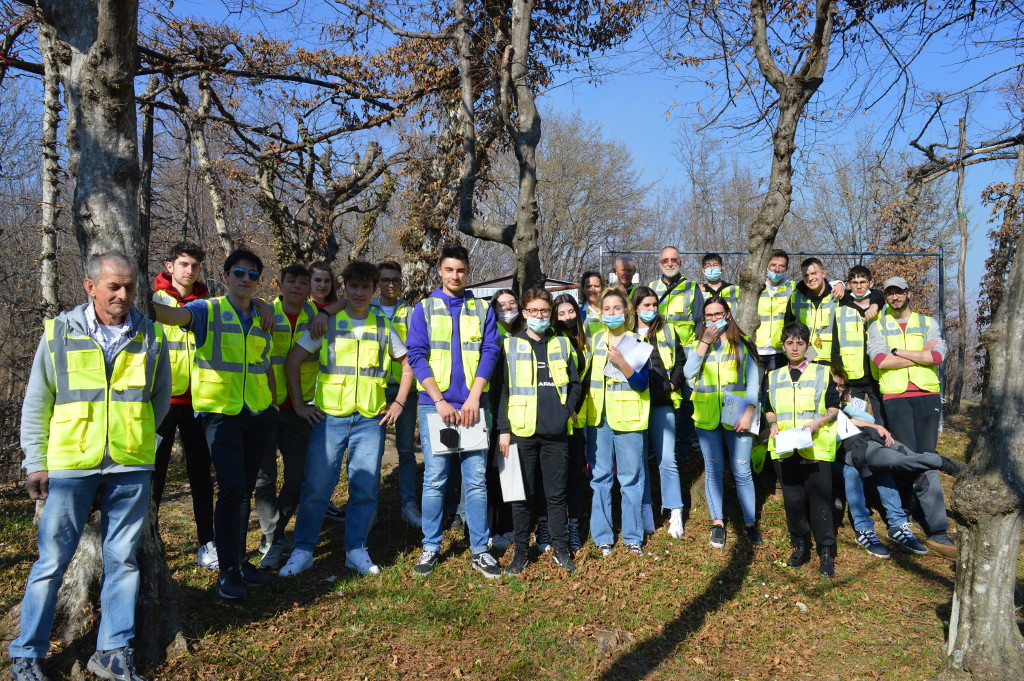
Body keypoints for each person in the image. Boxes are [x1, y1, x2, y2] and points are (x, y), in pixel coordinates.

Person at [11, 251, 170, 681]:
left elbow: (159, 398)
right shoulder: (61, 333)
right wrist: (36, 461)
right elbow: (38, 401)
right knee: (51, 562)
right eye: (114, 286)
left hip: (129, 466)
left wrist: (142, 443)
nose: (123, 294)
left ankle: (113, 652)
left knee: (124, 560)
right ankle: (27, 653)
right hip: (70, 466)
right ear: (90, 287)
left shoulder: (151, 335)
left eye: (130, 287)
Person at [152, 248, 278, 600]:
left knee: (245, 489)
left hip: (257, 414)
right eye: (239, 272)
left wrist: (271, 407)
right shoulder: (208, 310)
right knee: (232, 490)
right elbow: (174, 317)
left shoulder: (261, 317)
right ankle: (227, 571)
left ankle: (239, 561)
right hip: (220, 416)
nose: (246, 280)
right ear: (225, 277)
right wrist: (137, 304)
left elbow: (263, 363)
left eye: (253, 275)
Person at [277, 261, 414, 577]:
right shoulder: (329, 322)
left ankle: (356, 550)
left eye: (366, 287)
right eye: (354, 286)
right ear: (346, 288)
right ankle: (303, 551)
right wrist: (299, 404)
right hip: (329, 419)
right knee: (317, 488)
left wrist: (399, 402)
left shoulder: (382, 324)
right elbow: (293, 360)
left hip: (369, 419)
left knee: (364, 488)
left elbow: (408, 364)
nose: (359, 293)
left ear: (374, 289)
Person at [405, 244, 503, 578]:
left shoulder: (481, 308)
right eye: (449, 270)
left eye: (460, 270)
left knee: (475, 481)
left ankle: (480, 550)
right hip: (436, 409)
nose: (455, 276)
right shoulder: (425, 308)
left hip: (474, 406)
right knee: (435, 479)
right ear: (440, 272)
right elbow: (416, 355)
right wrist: (440, 401)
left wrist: (475, 396)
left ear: (468, 272)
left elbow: (491, 351)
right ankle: (430, 546)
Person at [866, 276, 955, 558]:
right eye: (889, 293)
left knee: (927, 453)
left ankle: (929, 519)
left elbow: (938, 357)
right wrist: (920, 354)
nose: (894, 297)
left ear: (908, 294)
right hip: (895, 396)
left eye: (899, 292)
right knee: (907, 455)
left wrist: (898, 352)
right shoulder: (877, 325)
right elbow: (880, 360)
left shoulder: (927, 322)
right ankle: (910, 512)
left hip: (926, 394)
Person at [497, 288, 582, 575]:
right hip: (521, 431)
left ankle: (560, 549)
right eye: (533, 311)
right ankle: (521, 552)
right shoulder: (510, 346)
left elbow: (576, 383)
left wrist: (565, 411)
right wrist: (503, 430)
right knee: (521, 495)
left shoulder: (562, 343)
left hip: (555, 432)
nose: (539, 316)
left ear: (550, 313)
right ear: (524, 313)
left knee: (556, 495)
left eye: (544, 311)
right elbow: (503, 391)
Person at [833, 368, 954, 557]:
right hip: (834, 460)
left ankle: (897, 526)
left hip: (861, 451)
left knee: (879, 467)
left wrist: (843, 406)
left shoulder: (843, 406)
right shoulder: (818, 406)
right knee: (853, 469)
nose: (837, 389)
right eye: (833, 385)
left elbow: (869, 418)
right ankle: (863, 529)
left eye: (841, 386)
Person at [151, 241, 217, 569]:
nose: (189, 271)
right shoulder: (153, 301)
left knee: (201, 475)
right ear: (170, 266)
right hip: (161, 402)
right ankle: (148, 541)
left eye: (194, 266)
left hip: (198, 402)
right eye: (183, 264)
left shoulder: (206, 304)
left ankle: (207, 543)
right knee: (154, 476)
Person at [254, 264, 320, 570]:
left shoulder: (316, 317)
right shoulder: (265, 313)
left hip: (299, 409)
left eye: (302, 282)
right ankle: (272, 537)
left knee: (299, 477)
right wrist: (257, 302)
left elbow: (343, 301)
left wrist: (326, 312)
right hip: (265, 407)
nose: (296, 287)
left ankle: (274, 533)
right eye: (290, 281)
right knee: (264, 478)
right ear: (279, 284)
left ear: (309, 288)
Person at [685, 297, 762, 548]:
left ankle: (750, 523)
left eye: (719, 314)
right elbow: (688, 374)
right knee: (714, 470)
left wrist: (749, 412)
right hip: (707, 419)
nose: (714, 319)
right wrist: (704, 343)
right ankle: (717, 523)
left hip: (738, 417)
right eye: (709, 315)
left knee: (742, 470)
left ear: (728, 315)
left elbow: (753, 382)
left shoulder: (742, 345)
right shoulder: (699, 345)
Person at [765, 322, 839, 578]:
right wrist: (772, 423)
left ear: (807, 346)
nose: (794, 348)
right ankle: (800, 546)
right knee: (793, 500)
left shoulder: (822, 372)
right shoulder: (773, 376)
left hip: (815, 447)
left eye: (800, 343)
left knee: (820, 500)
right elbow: (769, 407)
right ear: (783, 346)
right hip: (785, 447)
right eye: (789, 343)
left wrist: (819, 422)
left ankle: (826, 551)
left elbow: (834, 407)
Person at [584, 287, 651, 556]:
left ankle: (633, 536)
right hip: (599, 419)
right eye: (606, 309)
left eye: (616, 308)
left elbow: (643, 383)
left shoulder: (638, 343)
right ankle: (602, 536)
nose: (611, 313)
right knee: (600, 478)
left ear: (626, 311)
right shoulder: (593, 342)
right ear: (600, 313)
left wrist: (622, 362)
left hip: (630, 420)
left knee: (630, 479)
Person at [632, 286, 686, 539]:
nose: (652, 310)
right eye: (646, 305)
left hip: (662, 403)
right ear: (635, 308)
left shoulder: (667, 329)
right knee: (639, 462)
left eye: (654, 305)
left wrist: (673, 383)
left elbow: (681, 361)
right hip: (634, 404)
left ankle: (675, 511)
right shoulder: (625, 333)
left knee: (667, 460)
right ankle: (646, 514)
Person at [373, 260, 421, 528]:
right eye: (384, 280)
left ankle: (409, 504)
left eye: (395, 280)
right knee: (372, 451)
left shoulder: (411, 312)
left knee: (405, 450)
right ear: (377, 283)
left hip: (406, 391)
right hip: (375, 390)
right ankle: (370, 506)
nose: (390, 284)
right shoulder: (366, 310)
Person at [647, 246, 704, 461]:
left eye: (673, 260)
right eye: (665, 260)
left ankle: (684, 442)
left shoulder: (691, 286)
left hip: (687, 352)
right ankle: (655, 444)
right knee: (658, 397)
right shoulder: (652, 287)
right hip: (658, 351)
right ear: (659, 263)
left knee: (688, 400)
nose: (669, 264)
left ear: (681, 263)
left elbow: (699, 321)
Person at [552, 293, 591, 553]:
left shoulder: (584, 340)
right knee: (556, 476)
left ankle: (574, 525)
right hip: (558, 418)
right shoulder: (554, 341)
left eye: (570, 312)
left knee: (577, 474)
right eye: (561, 313)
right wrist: (567, 410)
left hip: (580, 419)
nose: (567, 317)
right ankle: (552, 528)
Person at [835, 265, 885, 420]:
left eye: (863, 282)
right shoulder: (841, 305)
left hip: (877, 375)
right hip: (853, 378)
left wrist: (876, 304)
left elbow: (881, 294)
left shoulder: (882, 306)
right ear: (848, 285)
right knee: (858, 421)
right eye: (854, 282)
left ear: (871, 283)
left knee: (883, 420)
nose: (859, 286)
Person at [785, 257, 840, 365]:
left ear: (823, 273)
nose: (810, 278)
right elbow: (788, 328)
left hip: (830, 360)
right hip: (804, 359)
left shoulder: (837, 295)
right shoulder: (795, 297)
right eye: (806, 275)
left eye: (814, 273)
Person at [755, 249, 795, 376]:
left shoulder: (793, 287)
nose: (777, 269)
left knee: (775, 392)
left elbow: (816, 283)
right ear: (767, 265)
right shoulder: (756, 287)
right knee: (755, 392)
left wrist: (838, 284)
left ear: (786, 268)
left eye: (781, 266)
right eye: (773, 265)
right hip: (757, 350)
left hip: (780, 351)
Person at [579, 271, 605, 338]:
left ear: (602, 288)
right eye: (588, 286)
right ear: (583, 289)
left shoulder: (610, 312)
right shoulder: (579, 314)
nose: (592, 290)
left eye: (596, 286)